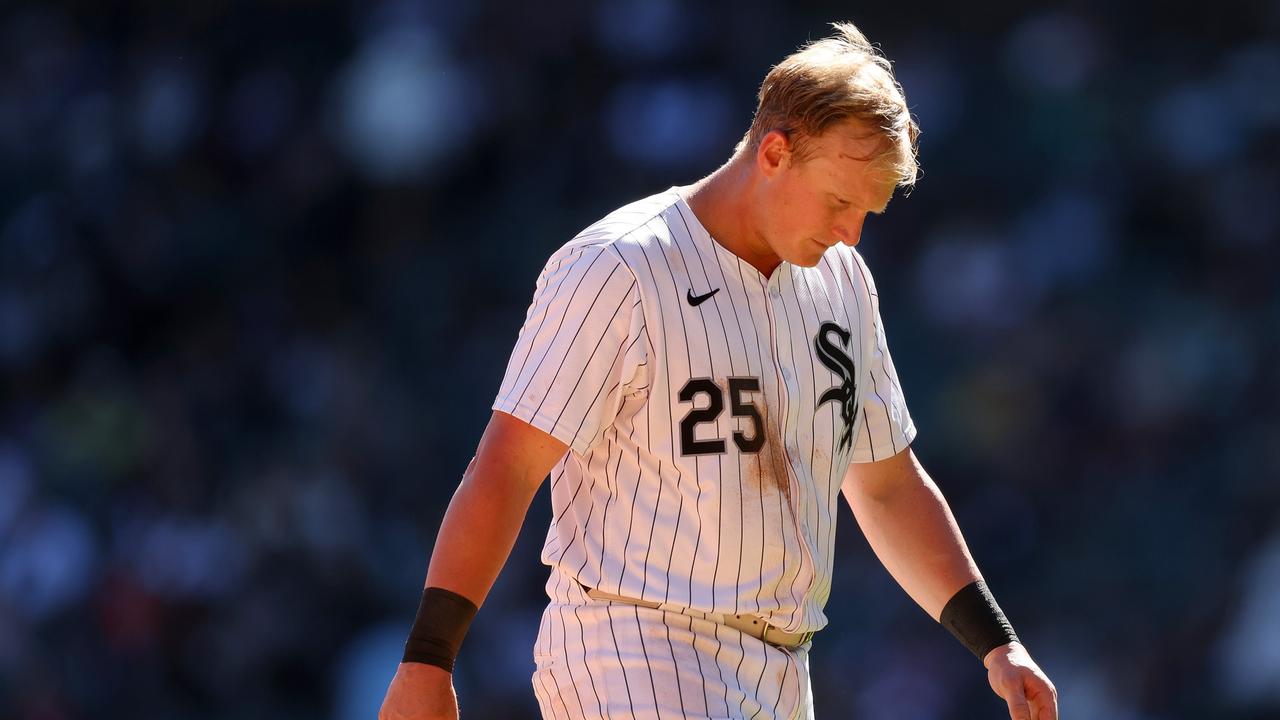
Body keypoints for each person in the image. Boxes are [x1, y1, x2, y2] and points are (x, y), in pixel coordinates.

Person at [379, 20, 1058, 720]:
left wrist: (995, 644)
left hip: (782, 669)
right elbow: (508, 465)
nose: (852, 232)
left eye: (867, 211)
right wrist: (428, 661)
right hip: (636, 646)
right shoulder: (621, 267)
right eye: (839, 201)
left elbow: (886, 485)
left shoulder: (843, 283)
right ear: (773, 152)